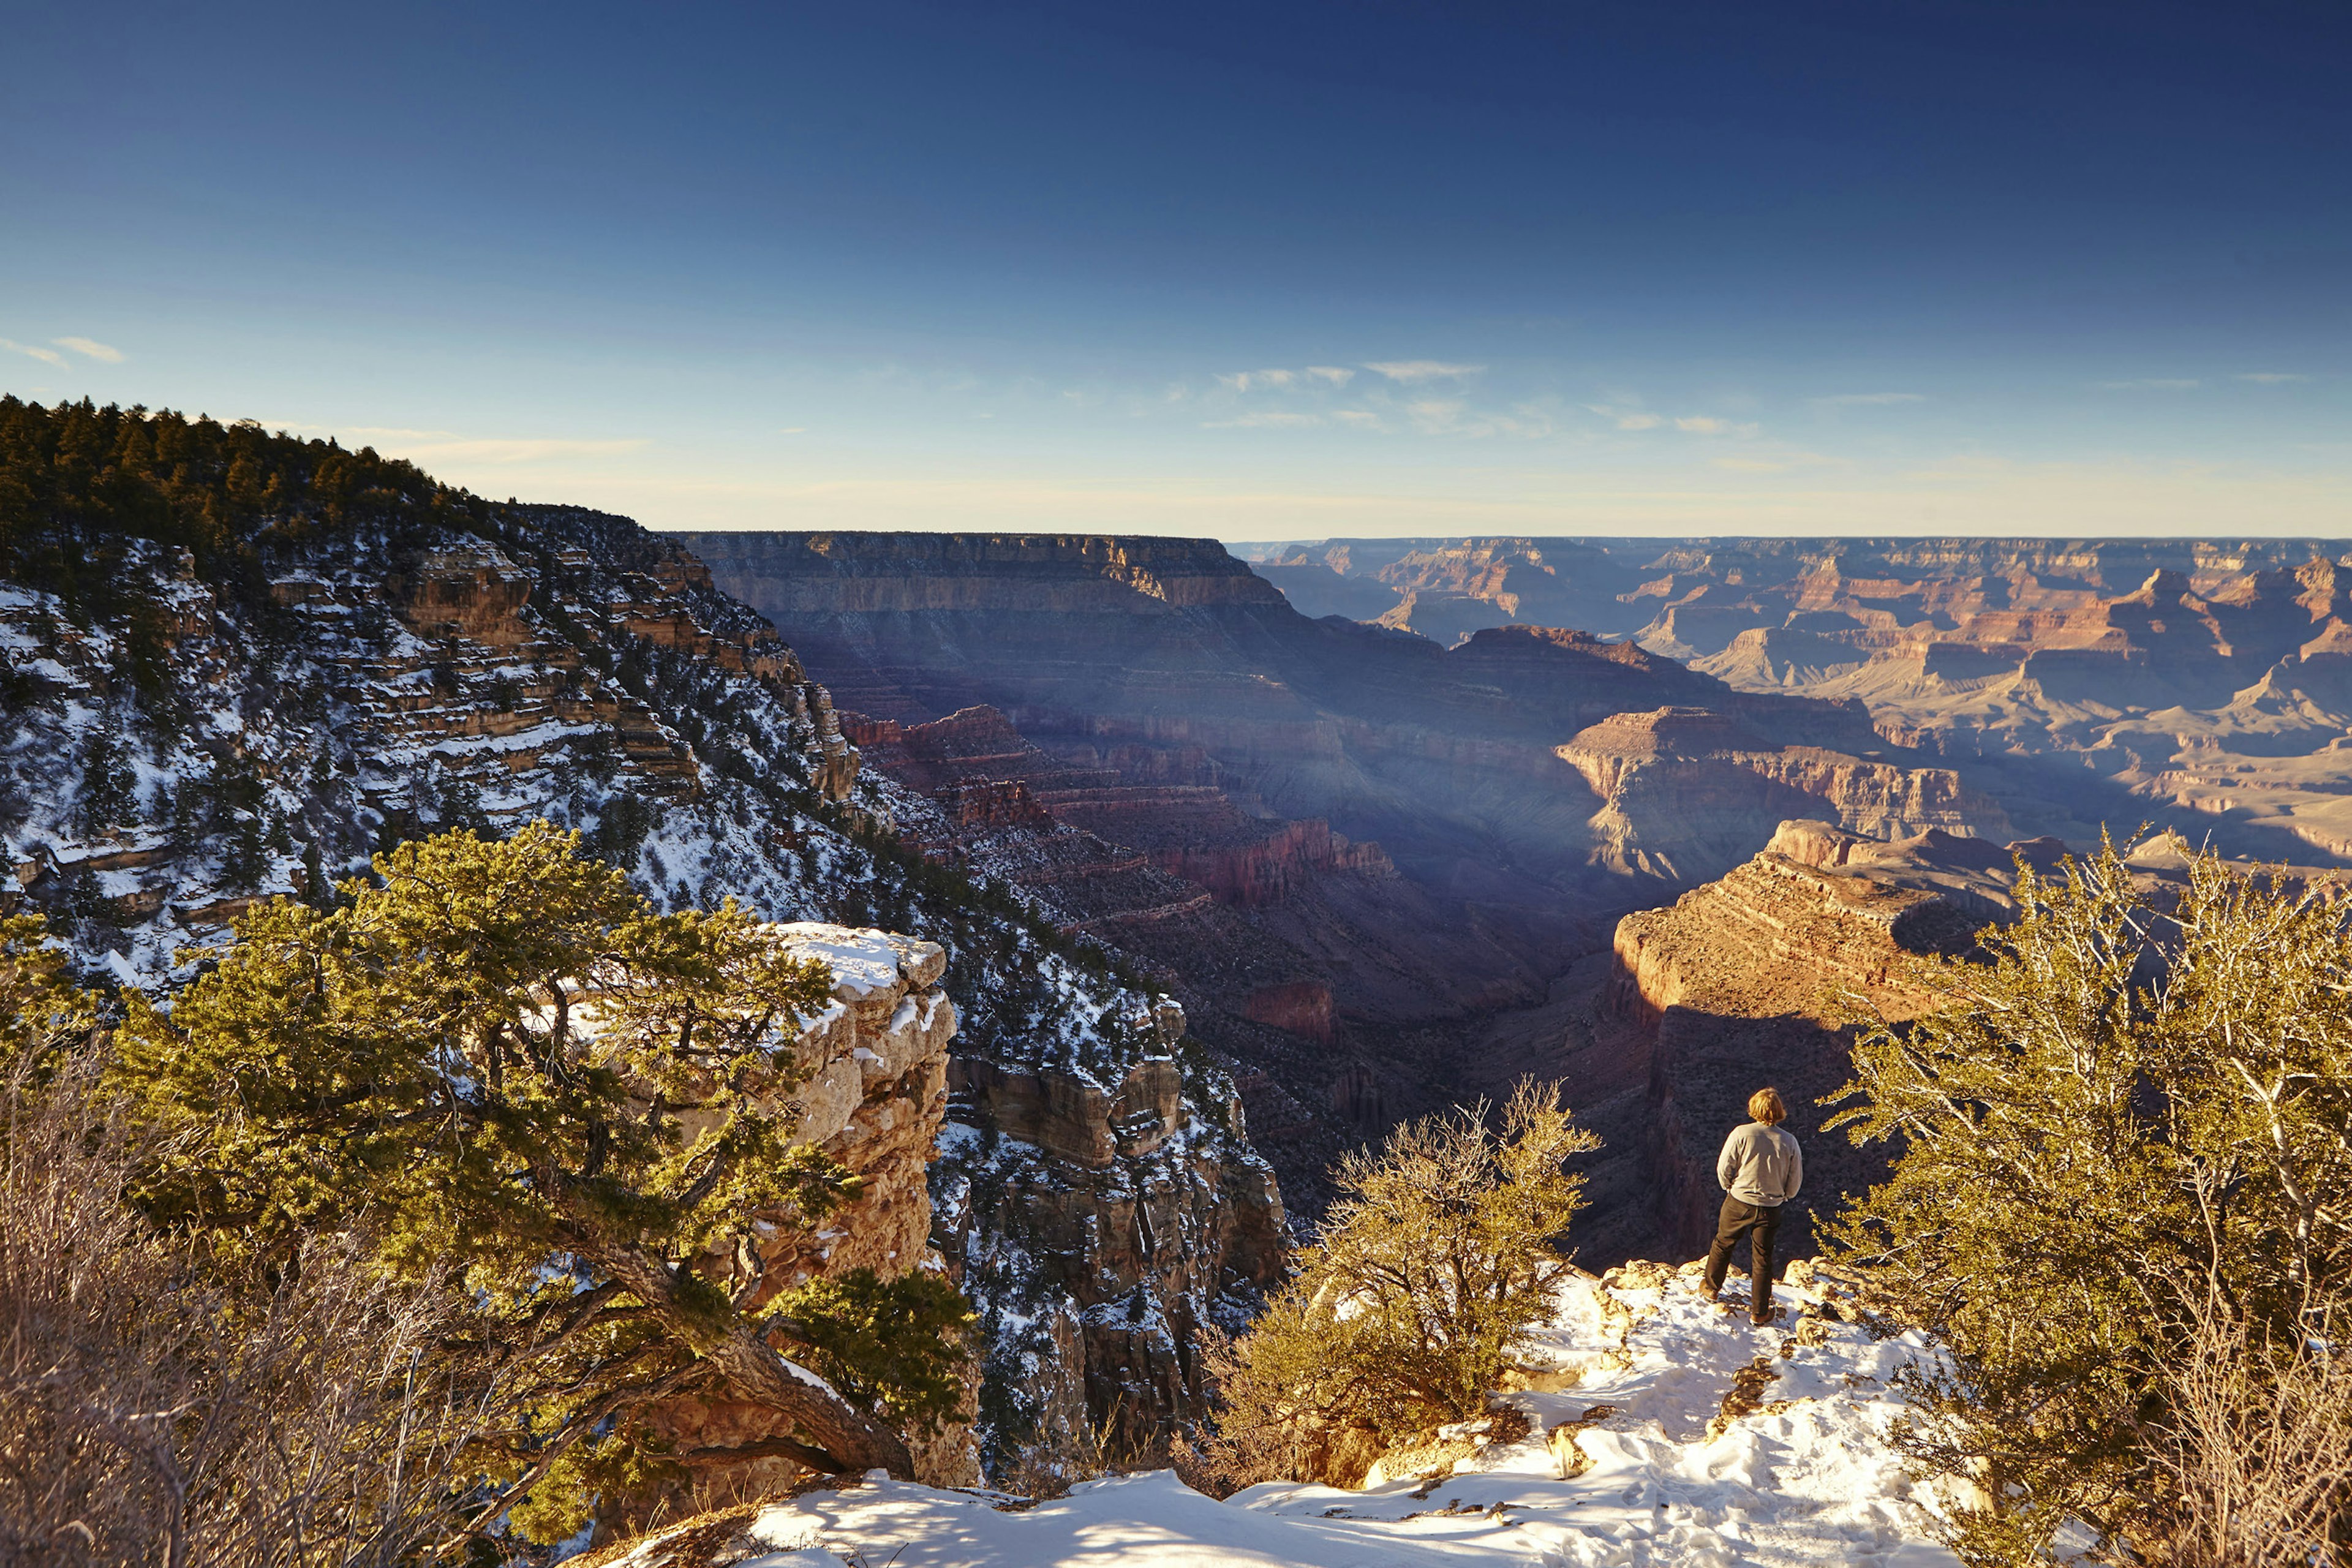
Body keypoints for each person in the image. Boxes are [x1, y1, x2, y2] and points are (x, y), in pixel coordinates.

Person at [1700, 1087, 1803, 1324]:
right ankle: (1759, 1312)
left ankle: (1711, 1288)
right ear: (1779, 1111)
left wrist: (1729, 1187)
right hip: (1770, 1207)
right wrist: (1785, 1196)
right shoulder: (1790, 1141)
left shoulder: (1741, 1134)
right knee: (1763, 1258)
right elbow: (1795, 1179)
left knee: (1723, 1243)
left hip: (1739, 1201)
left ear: (1754, 1108)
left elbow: (1724, 1166)